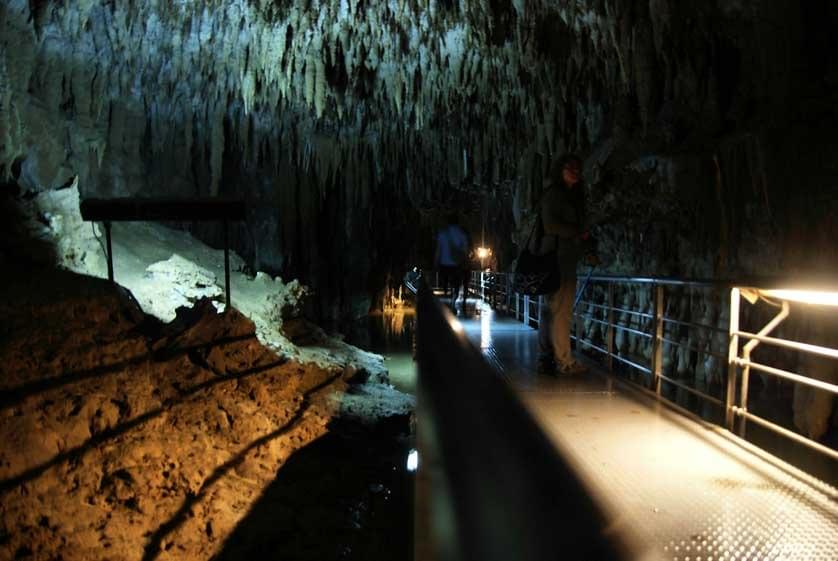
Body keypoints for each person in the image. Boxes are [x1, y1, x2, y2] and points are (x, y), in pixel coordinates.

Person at [535, 154, 594, 376]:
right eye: (569, 168)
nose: (575, 172)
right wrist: (578, 232)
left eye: (577, 168)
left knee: (550, 310)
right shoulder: (556, 195)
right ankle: (564, 361)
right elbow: (551, 226)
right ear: (560, 171)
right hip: (559, 259)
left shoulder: (566, 196)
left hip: (560, 258)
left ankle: (547, 357)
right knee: (560, 311)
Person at [435, 212, 471, 311]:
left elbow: (438, 250)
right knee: (456, 284)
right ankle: (453, 298)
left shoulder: (442, 233)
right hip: (457, 264)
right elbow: (465, 250)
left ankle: (446, 293)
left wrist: (436, 261)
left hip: (444, 264)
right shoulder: (461, 234)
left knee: (445, 282)